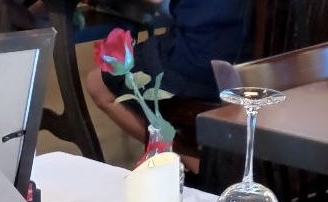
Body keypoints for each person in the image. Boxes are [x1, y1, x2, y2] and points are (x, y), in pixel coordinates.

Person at [85, 0, 250, 169]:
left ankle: (196, 163)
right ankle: (201, 162)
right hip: (245, 61)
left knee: (97, 83)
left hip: (198, 62)